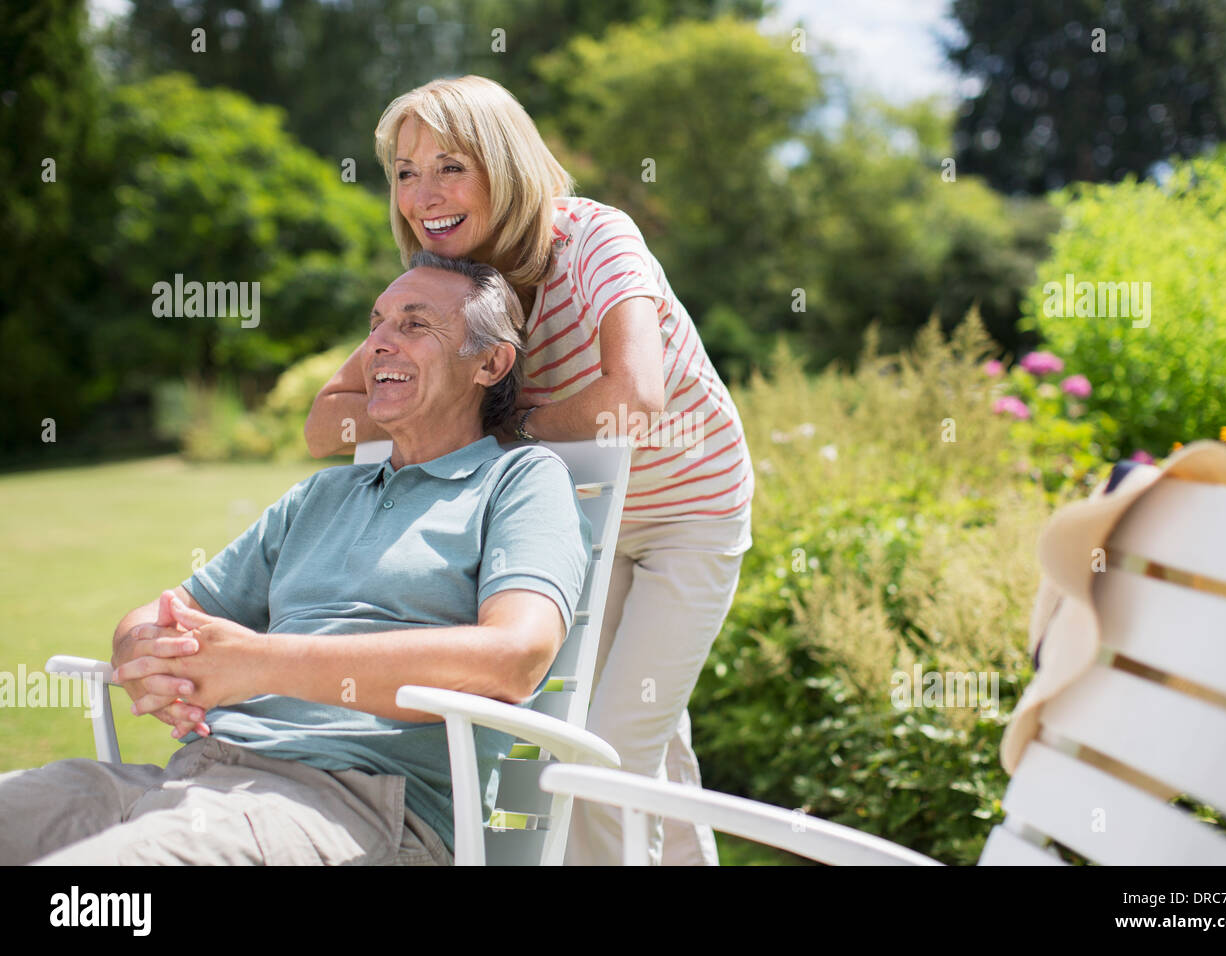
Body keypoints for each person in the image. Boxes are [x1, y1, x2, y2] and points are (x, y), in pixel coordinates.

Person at [0, 254, 591, 865]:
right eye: (376, 324)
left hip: (352, 807)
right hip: (190, 781)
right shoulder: (323, 494)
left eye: (414, 326)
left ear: (490, 363)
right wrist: (145, 653)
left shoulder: (519, 481)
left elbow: (514, 658)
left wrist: (258, 664)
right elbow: (165, 612)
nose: (378, 346)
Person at [305, 75, 754, 866]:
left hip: (690, 510)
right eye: (406, 172)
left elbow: (633, 399)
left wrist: (482, 421)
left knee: (596, 760)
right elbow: (324, 424)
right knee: (641, 739)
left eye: (449, 166)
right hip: (588, 517)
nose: (422, 194)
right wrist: (412, 400)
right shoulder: (454, 287)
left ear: (504, 164)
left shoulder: (597, 239)